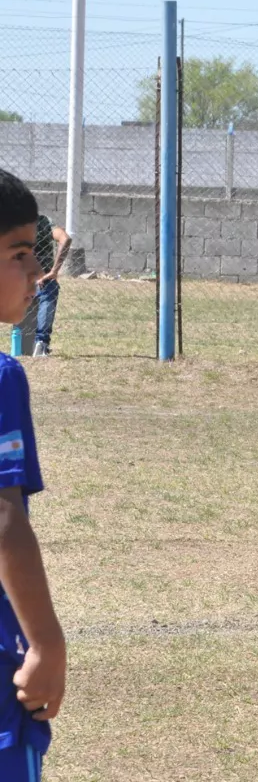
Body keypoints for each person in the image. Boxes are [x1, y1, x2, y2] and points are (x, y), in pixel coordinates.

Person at [0, 169, 67, 780]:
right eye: (21, 253)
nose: (36, 269)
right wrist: (46, 641)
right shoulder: (1, 377)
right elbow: (2, 517)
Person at [30, 214, 71, 358]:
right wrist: (54, 271)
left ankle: (39, 343)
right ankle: (41, 342)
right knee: (49, 288)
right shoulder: (44, 222)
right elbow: (65, 239)